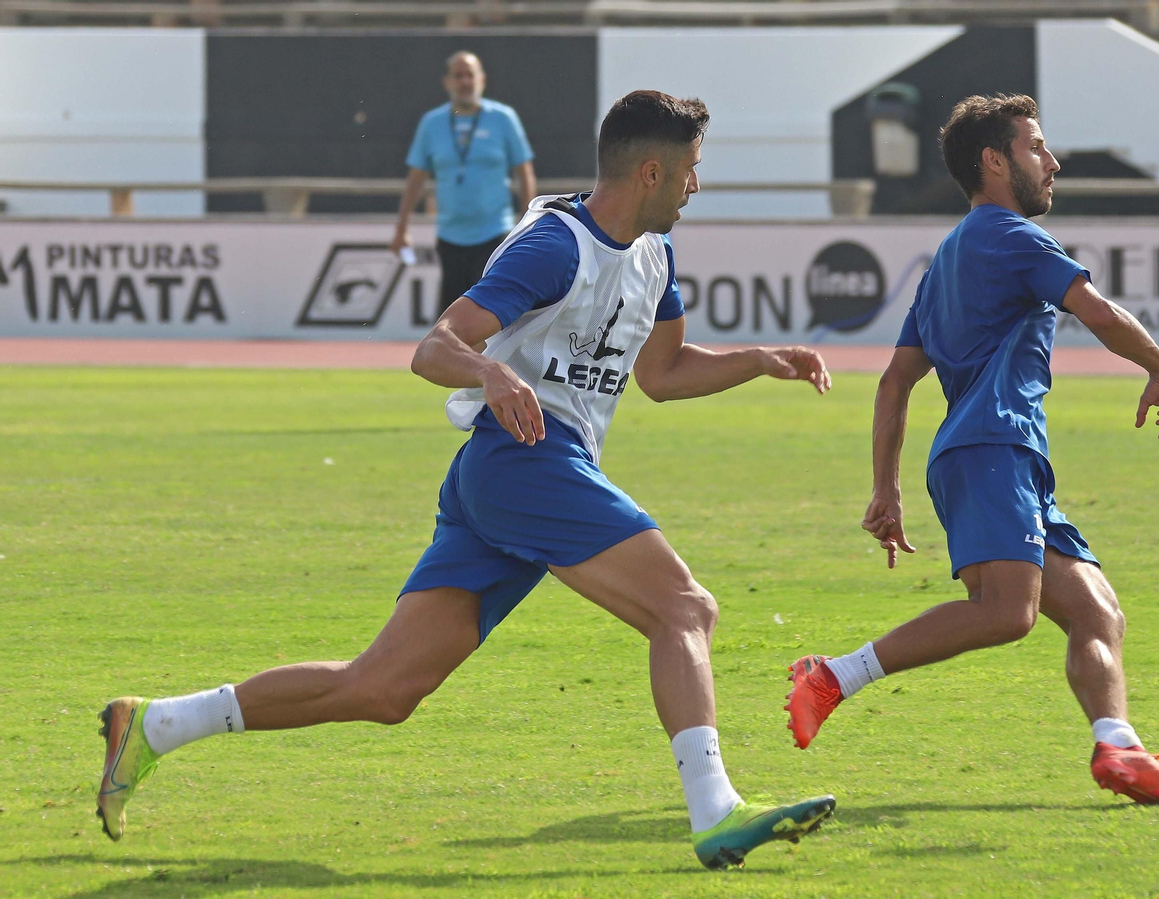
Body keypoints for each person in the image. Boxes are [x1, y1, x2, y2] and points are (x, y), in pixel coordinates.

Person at [98, 90, 839, 870]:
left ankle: (153, 725)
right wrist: (490, 372)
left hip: (517, 477)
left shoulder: (655, 254)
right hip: (524, 460)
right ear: (651, 172)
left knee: (383, 689)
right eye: (690, 170)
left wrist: (759, 360)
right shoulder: (554, 246)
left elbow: (664, 372)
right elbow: (435, 345)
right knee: (684, 605)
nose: (696, 186)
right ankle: (715, 810)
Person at [784, 94, 1159, 806]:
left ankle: (1119, 748)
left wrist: (886, 488)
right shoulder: (1012, 236)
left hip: (1001, 454)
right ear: (994, 161)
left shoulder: (948, 257)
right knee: (1007, 611)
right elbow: (1098, 312)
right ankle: (832, 676)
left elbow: (895, 382)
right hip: (991, 446)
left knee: (1098, 612)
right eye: (1036, 147)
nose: (1052, 162)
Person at [391, 50, 538, 321]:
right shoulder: (432, 123)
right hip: (450, 236)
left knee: (487, 317)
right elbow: (416, 179)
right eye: (458, 76)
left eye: (470, 75)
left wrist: (526, 224)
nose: (465, 82)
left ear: (482, 80)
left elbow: (524, 172)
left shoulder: (503, 118)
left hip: (494, 233)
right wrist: (401, 229)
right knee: (450, 321)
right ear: (447, 82)